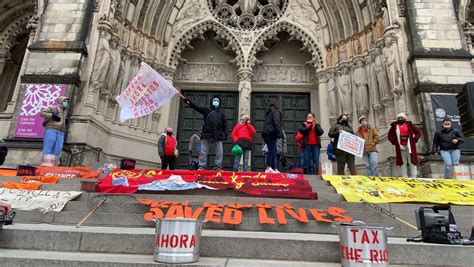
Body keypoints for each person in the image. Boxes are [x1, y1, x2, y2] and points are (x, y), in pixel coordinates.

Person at [183, 96, 228, 171]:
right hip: (207, 133)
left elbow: (225, 123)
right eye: (214, 100)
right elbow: (196, 107)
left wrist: (226, 133)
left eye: (217, 100)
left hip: (218, 134)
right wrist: (188, 101)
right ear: (211, 101)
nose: (216, 101)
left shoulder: (221, 112)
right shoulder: (206, 110)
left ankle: (218, 166)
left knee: (219, 152)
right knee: (203, 151)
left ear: (219, 102)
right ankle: (202, 166)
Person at [388, 112, 421, 178]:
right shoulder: (394, 126)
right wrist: (395, 142)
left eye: (402, 117)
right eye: (399, 118)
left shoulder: (409, 124)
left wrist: (414, 140)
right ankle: (404, 176)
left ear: (404, 118)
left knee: (411, 160)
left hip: (410, 146)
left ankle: (414, 176)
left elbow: (418, 132)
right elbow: (390, 136)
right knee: (403, 161)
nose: (400, 119)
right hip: (400, 146)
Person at [40, 96, 70, 164]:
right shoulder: (53, 107)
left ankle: (54, 165)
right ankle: (45, 165)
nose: (66, 103)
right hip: (52, 130)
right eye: (65, 101)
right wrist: (52, 116)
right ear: (60, 101)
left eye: (67, 102)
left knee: (58, 150)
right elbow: (42, 113)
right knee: (48, 148)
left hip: (61, 132)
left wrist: (65, 122)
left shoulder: (65, 111)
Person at [261, 101, 283, 173]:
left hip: (266, 133)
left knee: (273, 150)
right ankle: (268, 167)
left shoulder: (269, 113)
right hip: (271, 133)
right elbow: (277, 123)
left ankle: (274, 168)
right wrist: (280, 132)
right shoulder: (275, 112)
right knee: (271, 150)